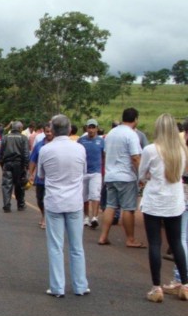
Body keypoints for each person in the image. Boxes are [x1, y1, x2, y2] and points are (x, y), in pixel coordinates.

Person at [38, 114, 89, 298]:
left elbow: (41, 175)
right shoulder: (80, 149)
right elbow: (83, 172)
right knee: (77, 246)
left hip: (54, 201)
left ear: (52, 129)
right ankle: (80, 285)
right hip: (74, 202)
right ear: (69, 129)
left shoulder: (46, 150)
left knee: (55, 246)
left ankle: (58, 287)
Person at [139, 113, 188, 302]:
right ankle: (184, 284)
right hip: (175, 201)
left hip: (154, 201)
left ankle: (156, 287)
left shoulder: (151, 149)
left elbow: (142, 174)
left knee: (155, 243)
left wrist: (149, 177)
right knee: (176, 242)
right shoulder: (181, 150)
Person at [97, 108, 146, 248]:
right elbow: (136, 157)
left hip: (110, 175)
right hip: (126, 176)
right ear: (135, 119)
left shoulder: (112, 133)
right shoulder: (131, 135)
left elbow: (105, 153)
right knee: (128, 208)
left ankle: (103, 236)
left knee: (111, 206)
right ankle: (130, 239)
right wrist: (141, 175)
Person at [77, 119, 105, 228]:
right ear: (86, 128)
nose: (91, 130)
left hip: (96, 172)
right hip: (83, 172)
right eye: (90, 127)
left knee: (95, 195)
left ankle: (95, 217)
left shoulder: (101, 141)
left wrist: (105, 169)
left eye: (93, 127)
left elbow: (104, 155)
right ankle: (86, 217)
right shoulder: (81, 140)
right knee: (84, 196)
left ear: (97, 128)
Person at [0, 121, 30, 212]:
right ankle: (20, 204)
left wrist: (2, 164)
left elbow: (1, 153)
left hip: (7, 163)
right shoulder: (23, 138)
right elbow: (26, 153)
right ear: (20, 128)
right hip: (19, 164)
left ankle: (6, 205)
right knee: (20, 184)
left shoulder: (5, 137)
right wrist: (26, 166)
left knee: (6, 185)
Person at [28, 124, 54, 229]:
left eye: (51, 132)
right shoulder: (39, 145)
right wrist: (31, 174)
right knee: (40, 199)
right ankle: (43, 214)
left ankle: (46, 218)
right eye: (47, 131)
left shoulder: (56, 145)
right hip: (40, 178)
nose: (49, 134)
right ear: (44, 131)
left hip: (53, 178)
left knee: (49, 199)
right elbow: (33, 160)